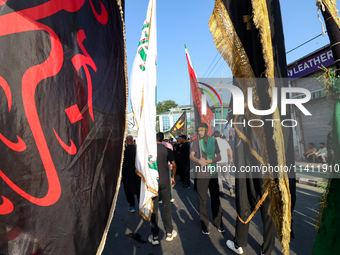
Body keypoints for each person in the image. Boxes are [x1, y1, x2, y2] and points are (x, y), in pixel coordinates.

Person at [189, 123, 224, 235]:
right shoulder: (196, 142)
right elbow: (191, 155)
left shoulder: (213, 141)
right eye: (198, 130)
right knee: (202, 200)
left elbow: (219, 157)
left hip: (213, 173)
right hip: (201, 174)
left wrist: (208, 161)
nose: (199, 132)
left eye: (201, 130)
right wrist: (199, 161)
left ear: (206, 130)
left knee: (215, 199)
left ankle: (218, 223)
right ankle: (204, 224)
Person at [148, 132, 177, 245]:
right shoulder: (166, 150)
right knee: (167, 207)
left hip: (153, 182)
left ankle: (155, 236)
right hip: (165, 181)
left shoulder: (149, 151)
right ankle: (169, 232)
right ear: (163, 139)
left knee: (154, 209)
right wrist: (173, 177)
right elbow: (174, 164)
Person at [122, 136, 140, 213]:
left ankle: (132, 206)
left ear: (125, 142)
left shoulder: (123, 152)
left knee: (129, 192)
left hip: (127, 175)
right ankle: (141, 205)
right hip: (137, 174)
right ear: (133, 141)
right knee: (139, 190)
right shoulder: (138, 150)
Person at [213, 131, 235, 197]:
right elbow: (230, 150)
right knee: (227, 175)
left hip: (217, 161)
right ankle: (231, 188)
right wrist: (231, 159)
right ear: (220, 135)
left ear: (214, 135)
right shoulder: (224, 141)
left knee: (218, 176)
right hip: (225, 161)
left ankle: (221, 190)